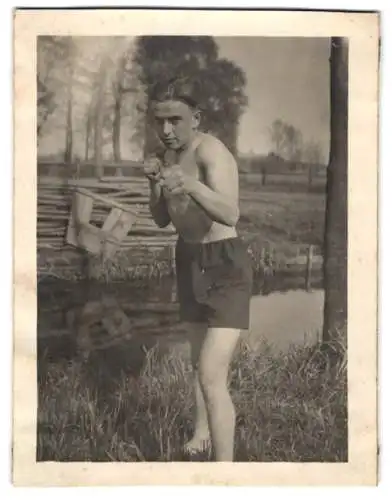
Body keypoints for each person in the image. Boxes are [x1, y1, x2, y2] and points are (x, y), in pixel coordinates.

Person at [143, 77, 253, 462]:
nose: (166, 130)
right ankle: (201, 436)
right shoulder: (166, 155)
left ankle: (225, 475)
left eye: (175, 120)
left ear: (196, 118)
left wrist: (190, 184)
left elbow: (230, 212)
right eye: (159, 121)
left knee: (210, 373)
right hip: (188, 257)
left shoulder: (212, 153)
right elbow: (160, 219)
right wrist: (155, 185)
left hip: (224, 262)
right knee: (196, 361)